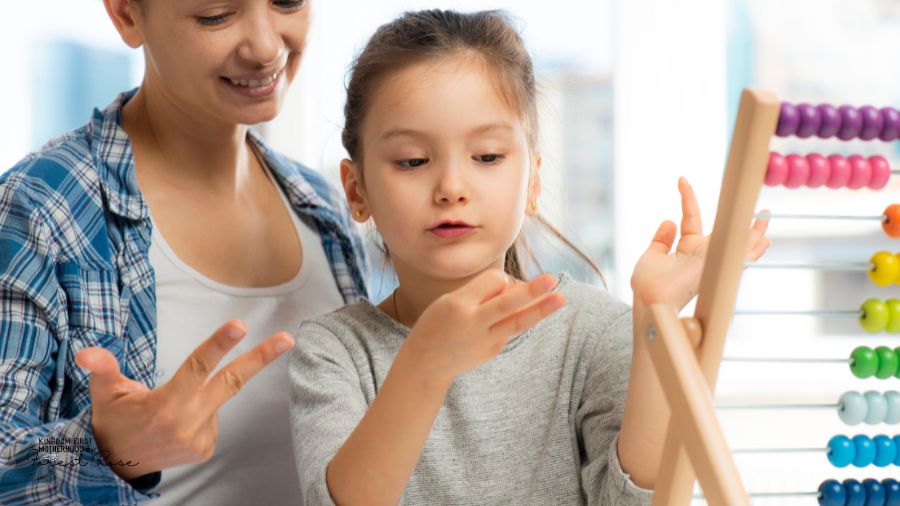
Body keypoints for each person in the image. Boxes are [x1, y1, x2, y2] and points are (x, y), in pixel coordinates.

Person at [288, 9, 770, 505]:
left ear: (534, 182)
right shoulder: (333, 352)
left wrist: (655, 323)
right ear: (356, 188)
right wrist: (424, 363)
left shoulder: (593, 334)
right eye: (413, 160)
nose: (452, 187)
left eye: (488, 157)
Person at [0, 0, 367, 504]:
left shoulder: (322, 207)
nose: (265, 46)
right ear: (127, 15)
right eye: (216, 15)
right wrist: (107, 450)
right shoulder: (42, 208)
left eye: (287, 1)